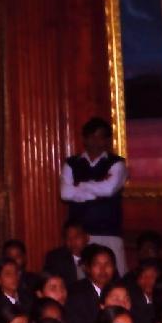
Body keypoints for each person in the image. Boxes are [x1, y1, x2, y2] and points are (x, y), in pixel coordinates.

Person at [60, 118, 128, 275]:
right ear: (84, 139)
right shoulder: (72, 163)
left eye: (101, 137)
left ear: (107, 140)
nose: (96, 141)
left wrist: (80, 186)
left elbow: (109, 189)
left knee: (114, 277)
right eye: (92, 137)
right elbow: (66, 193)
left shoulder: (117, 163)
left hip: (109, 232)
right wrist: (98, 188)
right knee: (81, 279)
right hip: (80, 236)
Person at [64, 243, 118, 323]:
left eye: (107, 264)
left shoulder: (120, 290)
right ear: (88, 268)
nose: (103, 269)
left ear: (114, 268)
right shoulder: (76, 294)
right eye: (97, 264)